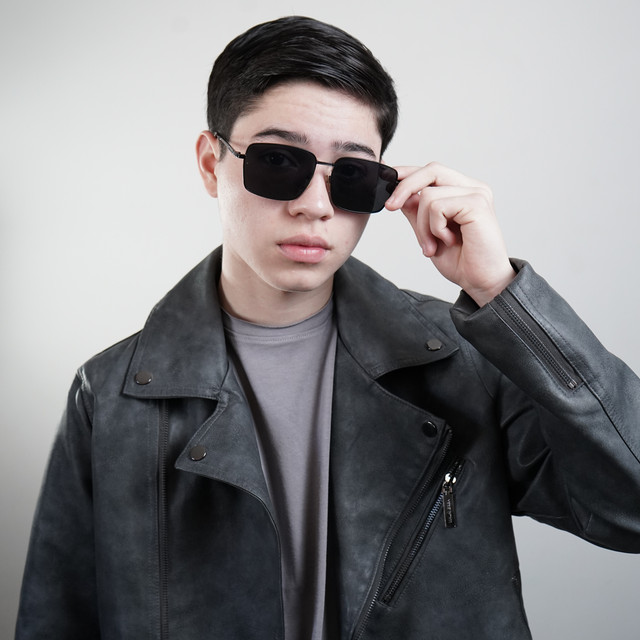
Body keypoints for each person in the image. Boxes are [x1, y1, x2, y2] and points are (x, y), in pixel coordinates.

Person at [15, 15, 640, 640]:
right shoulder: (113, 396)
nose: (314, 206)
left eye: (352, 176)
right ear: (210, 163)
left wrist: (501, 292)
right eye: (278, 162)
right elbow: (58, 617)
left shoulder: (465, 361)